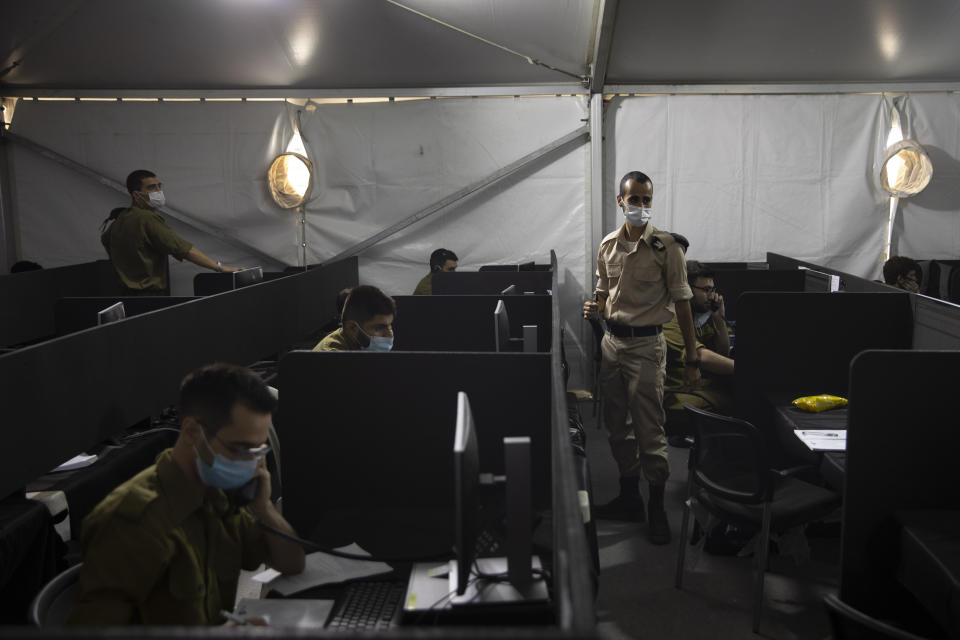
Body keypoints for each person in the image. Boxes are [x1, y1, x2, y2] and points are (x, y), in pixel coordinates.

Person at [68, 363, 305, 625]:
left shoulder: (217, 495)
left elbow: (291, 564)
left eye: (257, 452)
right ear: (193, 432)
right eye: (240, 449)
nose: (250, 464)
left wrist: (264, 508)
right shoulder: (131, 521)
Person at [582, 170, 700, 544]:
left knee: (650, 428)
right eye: (634, 199)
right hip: (612, 345)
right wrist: (595, 306)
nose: (641, 206)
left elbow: (683, 304)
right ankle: (629, 496)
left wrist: (694, 355)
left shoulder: (668, 249)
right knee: (618, 427)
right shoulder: (607, 246)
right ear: (621, 201)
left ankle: (656, 506)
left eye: (647, 200)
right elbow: (604, 291)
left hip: (648, 347)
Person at [101, 170, 241, 295]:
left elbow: (106, 242)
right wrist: (221, 268)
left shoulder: (118, 221)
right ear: (137, 195)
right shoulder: (146, 218)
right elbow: (183, 249)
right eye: (151, 188)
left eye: (159, 186)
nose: (158, 191)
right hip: (149, 296)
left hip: (124, 296)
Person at [663, 260, 735, 423]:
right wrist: (746, 371)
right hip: (679, 393)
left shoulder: (695, 315)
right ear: (686, 290)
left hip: (699, 386)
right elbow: (701, 356)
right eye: (706, 290)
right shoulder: (669, 318)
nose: (712, 296)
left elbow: (723, 352)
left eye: (713, 290)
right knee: (743, 401)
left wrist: (718, 318)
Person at [313, 285, 395, 351]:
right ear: (352, 328)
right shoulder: (332, 358)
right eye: (378, 328)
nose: (389, 335)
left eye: (390, 326)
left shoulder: (359, 346)